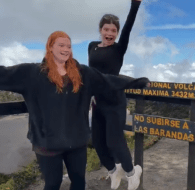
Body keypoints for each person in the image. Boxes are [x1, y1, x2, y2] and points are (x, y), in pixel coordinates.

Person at [0, 31, 150, 190]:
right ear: (50, 47)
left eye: (69, 46)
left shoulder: (83, 73)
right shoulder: (31, 73)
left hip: (77, 142)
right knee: (52, 184)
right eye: (61, 45)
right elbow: (3, 75)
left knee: (78, 183)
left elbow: (108, 80)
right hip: (47, 144)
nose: (66, 49)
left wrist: (136, 82)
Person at [88, 0, 143, 189]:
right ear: (101, 30)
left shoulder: (119, 49)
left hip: (115, 102)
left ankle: (132, 173)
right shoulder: (92, 46)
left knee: (114, 141)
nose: (110, 34)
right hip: (97, 103)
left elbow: (128, 27)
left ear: (117, 33)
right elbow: (90, 75)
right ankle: (114, 171)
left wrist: (135, 5)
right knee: (97, 143)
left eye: (113, 31)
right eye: (106, 29)